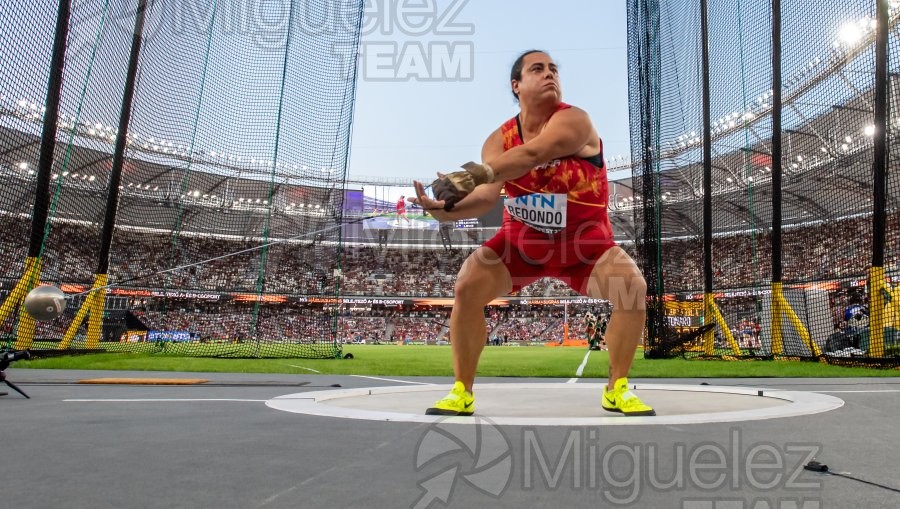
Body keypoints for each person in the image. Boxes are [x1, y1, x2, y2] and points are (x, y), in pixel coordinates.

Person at [410, 50, 654, 417]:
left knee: (632, 288)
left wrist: (470, 175)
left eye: (554, 69)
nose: (549, 74)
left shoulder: (575, 120)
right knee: (467, 284)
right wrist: (446, 211)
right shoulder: (497, 140)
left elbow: (534, 153)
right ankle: (461, 391)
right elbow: (486, 199)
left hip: (585, 245)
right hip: (521, 246)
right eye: (537, 69)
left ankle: (616, 388)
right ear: (516, 85)